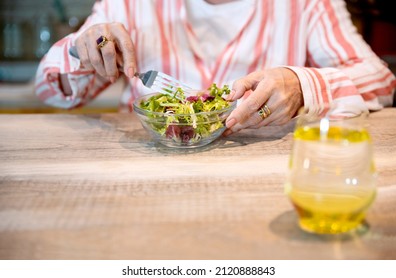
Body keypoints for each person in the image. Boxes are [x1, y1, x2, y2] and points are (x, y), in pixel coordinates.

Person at [35, 0, 396, 136]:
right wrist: (81, 51)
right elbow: (50, 91)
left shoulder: (307, 4)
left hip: (266, 181)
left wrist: (301, 83)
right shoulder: (130, 4)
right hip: (145, 174)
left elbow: (381, 80)